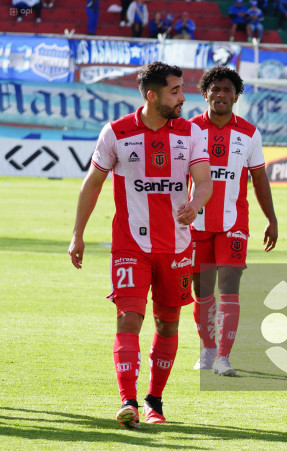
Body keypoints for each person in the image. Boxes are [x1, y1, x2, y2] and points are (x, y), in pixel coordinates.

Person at [68, 62, 212, 428]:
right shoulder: (116, 132)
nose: (183, 97)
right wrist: (78, 234)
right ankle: (128, 401)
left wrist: (195, 205)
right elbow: (92, 183)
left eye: (181, 89)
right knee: (129, 317)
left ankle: (154, 401)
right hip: (130, 244)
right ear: (152, 95)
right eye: (175, 91)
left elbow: (204, 180)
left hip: (177, 247)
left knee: (167, 325)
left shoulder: (190, 132)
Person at [189, 67, 278, 377]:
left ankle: (224, 357)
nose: (221, 94)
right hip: (195, 224)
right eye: (215, 89)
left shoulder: (249, 133)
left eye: (228, 90)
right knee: (202, 290)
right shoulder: (188, 130)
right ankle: (208, 347)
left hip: (233, 223)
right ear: (205, 93)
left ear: (236, 96)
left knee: (229, 288)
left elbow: (259, 179)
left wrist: (271, 218)